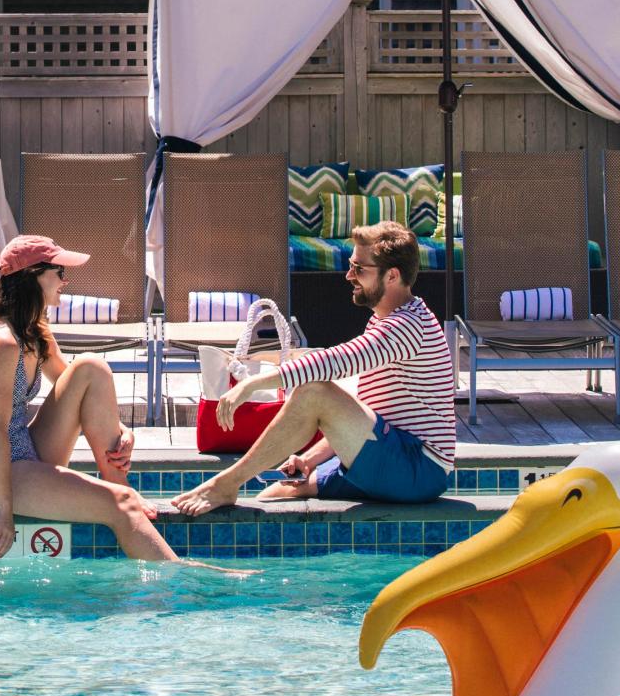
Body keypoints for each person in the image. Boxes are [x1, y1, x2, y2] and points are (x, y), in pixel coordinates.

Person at [172, 221, 454, 516]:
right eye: (350, 265)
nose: (348, 276)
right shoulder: (388, 320)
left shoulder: (407, 327)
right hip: (396, 456)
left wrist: (251, 384)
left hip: (418, 469)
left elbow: (336, 361)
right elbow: (374, 415)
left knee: (315, 391)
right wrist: (309, 459)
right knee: (278, 492)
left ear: (392, 275)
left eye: (359, 269)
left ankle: (226, 484)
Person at [0, 233, 179, 563]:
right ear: (34, 276)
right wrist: (5, 511)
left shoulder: (34, 331)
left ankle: (118, 480)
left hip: (28, 453)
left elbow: (74, 387)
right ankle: (183, 583)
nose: (66, 279)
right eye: (59, 272)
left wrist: (122, 429)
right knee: (122, 506)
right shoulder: (2, 343)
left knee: (91, 367)